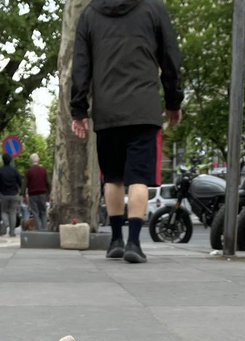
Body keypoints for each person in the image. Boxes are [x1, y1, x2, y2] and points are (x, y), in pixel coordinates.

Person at [71, 0, 183, 263]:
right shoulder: (153, 8)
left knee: (112, 177)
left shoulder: (90, 14)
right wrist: (173, 101)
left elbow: (80, 65)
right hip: (143, 109)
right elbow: (170, 58)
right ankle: (134, 242)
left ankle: (115, 240)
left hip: (107, 110)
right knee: (139, 179)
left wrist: (78, 109)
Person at [0, 152, 22, 237]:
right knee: (13, 212)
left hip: (4, 194)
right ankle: (12, 232)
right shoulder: (14, 170)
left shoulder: (0, 171)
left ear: (3, 160)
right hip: (14, 194)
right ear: (10, 160)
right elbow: (20, 181)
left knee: (3, 211)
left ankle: (6, 223)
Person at [24, 152, 49, 231]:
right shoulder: (43, 170)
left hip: (32, 194)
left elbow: (25, 184)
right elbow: (47, 182)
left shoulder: (28, 172)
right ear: (38, 160)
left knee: (35, 213)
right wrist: (49, 192)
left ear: (31, 161)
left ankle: (39, 230)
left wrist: (23, 194)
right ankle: (45, 229)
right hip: (42, 193)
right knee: (43, 212)